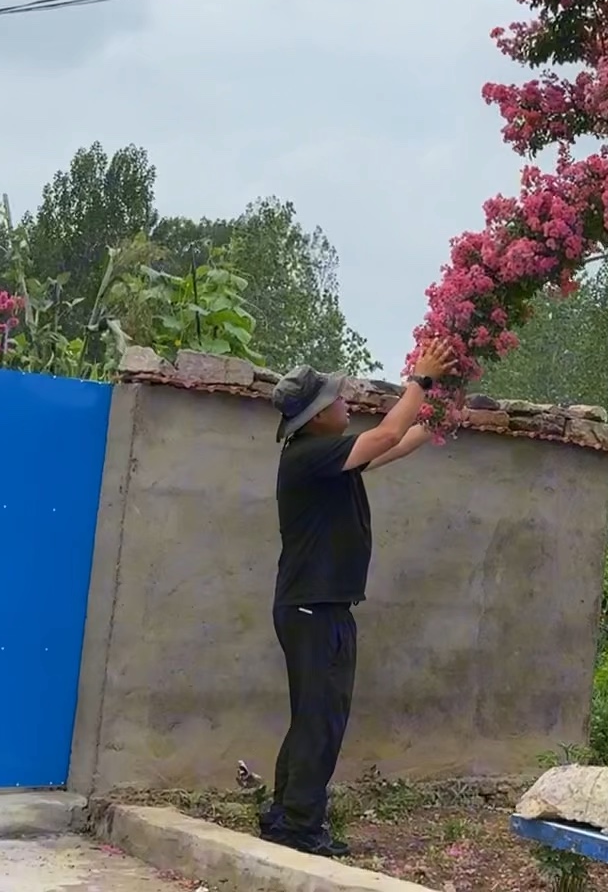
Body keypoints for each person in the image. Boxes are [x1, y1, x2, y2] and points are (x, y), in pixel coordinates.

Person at [256, 338, 455, 856]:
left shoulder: (327, 460)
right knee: (321, 717)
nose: (346, 404)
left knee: (314, 716)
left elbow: (397, 442)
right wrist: (422, 379)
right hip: (312, 607)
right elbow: (387, 430)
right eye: (337, 400)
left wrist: (442, 417)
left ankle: (286, 815)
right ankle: (300, 825)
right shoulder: (308, 456)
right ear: (316, 417)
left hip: (321, 606)